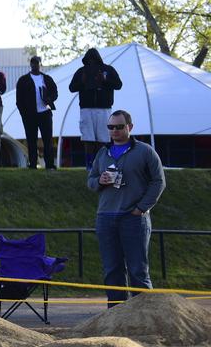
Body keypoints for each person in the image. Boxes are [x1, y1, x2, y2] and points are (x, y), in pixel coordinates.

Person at [87, 109, 166, 305]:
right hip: (105, 217)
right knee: (111, 270)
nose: (114, 131)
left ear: (130, 127)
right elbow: (90, 180)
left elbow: (159, 182)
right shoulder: (103, 152)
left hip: (133, 217)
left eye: (119, 127)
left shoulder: (145, 151)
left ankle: (144, 317)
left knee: (138, 270)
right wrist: (100, 180)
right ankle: (115, 316)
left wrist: (141, 208)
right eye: (110, 127)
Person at [69, 47, 123, 165]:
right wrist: (82, 82)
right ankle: (90, 163)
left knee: (103, 138)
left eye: (93, 60)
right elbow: (71, 88)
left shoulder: (108, 70)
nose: (91, 62)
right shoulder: (81, 71)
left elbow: (118, 85)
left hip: (104, 109)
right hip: (86, 109)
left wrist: (105, 80)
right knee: (88, 138)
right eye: (89, 60)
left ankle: (101, 162)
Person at [16, 55, 59, 170]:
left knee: (47, 139)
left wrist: (50, 99)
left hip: (45, 113)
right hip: (30, 115)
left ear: (41, 64)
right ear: (30, 64)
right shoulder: (23, 80)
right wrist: (24, 114)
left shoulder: (47, 78)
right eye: (33, 63)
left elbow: (55, 92)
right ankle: (33, 164)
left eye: (37, 63)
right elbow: (19, 100)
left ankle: (49, 164)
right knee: (31, 140)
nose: (35, 65)